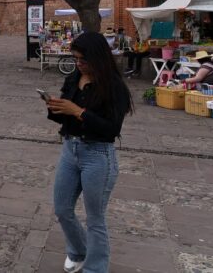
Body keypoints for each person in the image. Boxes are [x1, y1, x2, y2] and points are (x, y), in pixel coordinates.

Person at [45, 33, 132, 273]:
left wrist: (79, 112)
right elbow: (66, 116)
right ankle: (79, 250)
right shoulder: (74, 78)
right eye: (75, 59)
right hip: (70, 150)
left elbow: (111, 129)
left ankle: (95, 268)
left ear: (98, 58)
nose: (78, 64)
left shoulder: (114, 87)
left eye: (83, 59)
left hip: (98, 155)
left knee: (95, 218)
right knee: (62, 209)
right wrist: (55, 108)